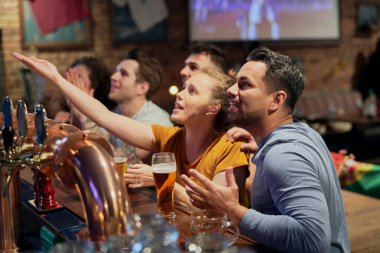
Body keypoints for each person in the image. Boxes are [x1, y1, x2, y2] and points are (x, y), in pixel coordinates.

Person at [12, 52, 250, 208]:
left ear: (212, 109)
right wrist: (56, 77)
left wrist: (159, 179)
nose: (179, 94)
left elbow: (215, 209)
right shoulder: (171, 137)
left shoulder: (230, 148)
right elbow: (104, 116)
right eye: (184, 88)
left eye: (192, 92)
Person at [181, 47, 350, 252]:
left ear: (276, 100)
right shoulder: (302, 133)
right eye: (235, 82)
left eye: (244, 85)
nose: (231, 90)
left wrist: (231, 209)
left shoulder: (283, 155)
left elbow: (313, 239)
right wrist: (261, 148)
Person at [67, 50, 173, 162]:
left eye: (123, 74)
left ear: (142, 88)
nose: (113, 77)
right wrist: (76, 108)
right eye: (116, 71)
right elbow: (83, 146)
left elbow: (120, 158)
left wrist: (85, 114)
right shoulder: (115, 112)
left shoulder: (157, 120)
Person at [54, 56, 116, 124]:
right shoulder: (65, 115)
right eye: (69, 77)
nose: (70, 82)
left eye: (78, 78)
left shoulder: (109, 117)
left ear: (95, 85)